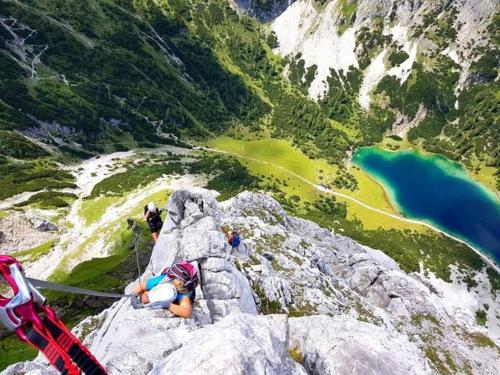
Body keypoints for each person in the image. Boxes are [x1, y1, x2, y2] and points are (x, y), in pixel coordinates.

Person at [131, 260, 198, 319]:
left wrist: (167, 305)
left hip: (173, 295)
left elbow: (186, 313)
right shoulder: (161, 280)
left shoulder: (183, 292)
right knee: (144, 295)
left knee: (145, 296)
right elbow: (141, 286)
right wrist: (133, 296)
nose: (144, 301)